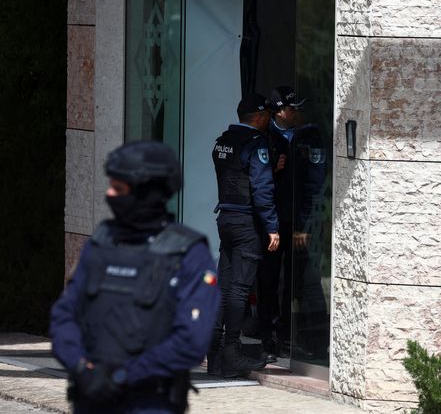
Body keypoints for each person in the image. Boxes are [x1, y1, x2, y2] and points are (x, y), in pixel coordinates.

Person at [50, 141, 219, 413]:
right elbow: (64, 315)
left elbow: (191, 341)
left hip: (149, 403)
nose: (108, 194)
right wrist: (81, 368)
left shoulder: (187, 254)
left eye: (119, 188)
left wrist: (122, 377)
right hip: (90, 398)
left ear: (146, 193)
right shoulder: (101, 244)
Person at [209, 93, 280, 377]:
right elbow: (262, 189)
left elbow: (235, 175)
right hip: (246, 221)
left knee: (223, 286)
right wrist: (272, 226)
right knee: (239, 289)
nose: (268, 120)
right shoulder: (255, 144)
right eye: (266, 116)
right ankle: (232, 354)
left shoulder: (223, 141)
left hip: (225, 218)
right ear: (259, 117)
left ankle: (214, 354)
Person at [257, 86, 328, 360]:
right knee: (269, 280)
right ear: (280, 112)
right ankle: (269, 337)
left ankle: (301, 337)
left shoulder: (309, 135)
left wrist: (303, 224)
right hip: (272, 222)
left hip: (300, 223)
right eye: (293, 108)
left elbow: (315, 183)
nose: (298, 112)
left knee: (302, 279)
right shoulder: (264, 136)